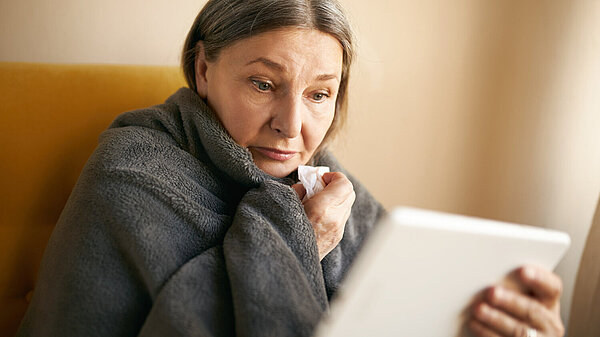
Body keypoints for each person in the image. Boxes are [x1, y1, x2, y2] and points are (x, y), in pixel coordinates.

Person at [17, 0, 565, 336]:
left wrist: (495, 323)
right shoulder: (133, 173)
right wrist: (298, 235)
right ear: (204, 69)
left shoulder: (325, 182)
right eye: (263, 84)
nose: (292, 125)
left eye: (320, 94)